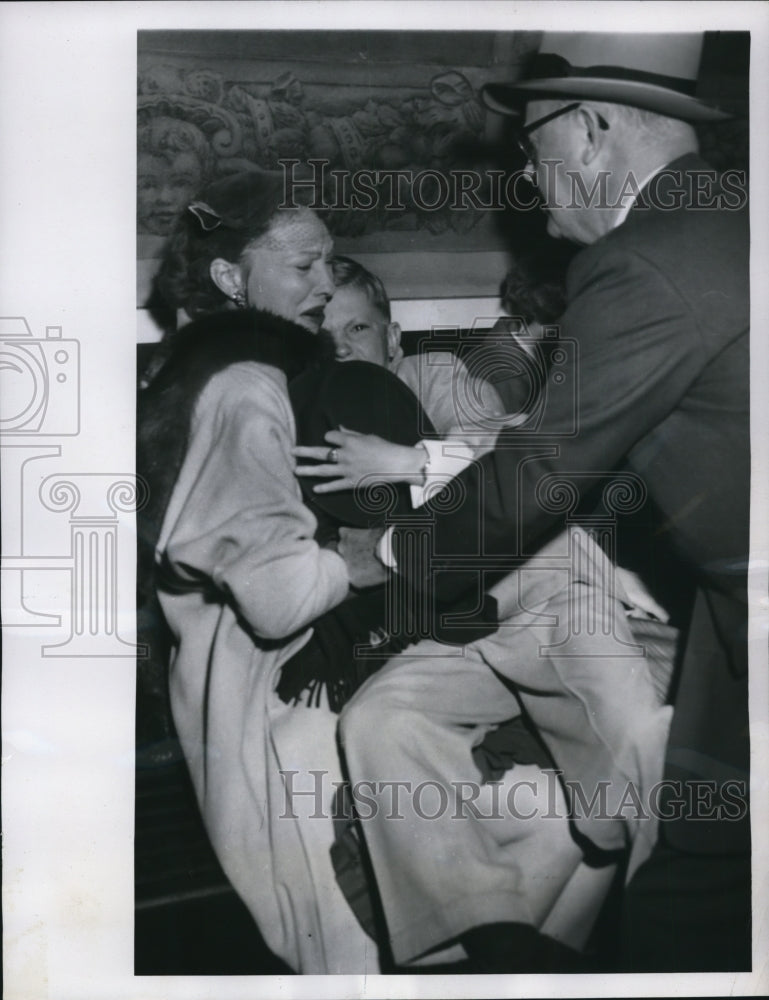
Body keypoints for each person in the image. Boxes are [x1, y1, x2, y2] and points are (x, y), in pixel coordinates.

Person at [335, 32, 750, 972]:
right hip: (734, 625)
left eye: (532, 146)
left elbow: (533, 477)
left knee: (691, 908)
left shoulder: (645, 260)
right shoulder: (733, 216)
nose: (527, 173)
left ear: (593, 129)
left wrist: (386, 556)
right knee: (703, 876)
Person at [294, 256, 678, 971]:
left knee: (630, 725)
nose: (343, 344)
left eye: (359, 327)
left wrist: (408, 461)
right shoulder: (311, 410)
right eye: (325, 328)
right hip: (455, 628)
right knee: (377, 722)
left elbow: (525, 460)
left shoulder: (430, 380)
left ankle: (687, 917)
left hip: (540, 585)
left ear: (394, 337)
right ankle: (489, 937)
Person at [137, 171, 381, 973]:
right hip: (274, 700)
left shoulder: (202, 374)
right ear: (228, 277)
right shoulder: (248, 386)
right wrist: (367, 557)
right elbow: (280, 600)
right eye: (304, 265)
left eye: (329, 265)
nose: (324, 283)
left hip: (219, 685)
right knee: (342, 928)